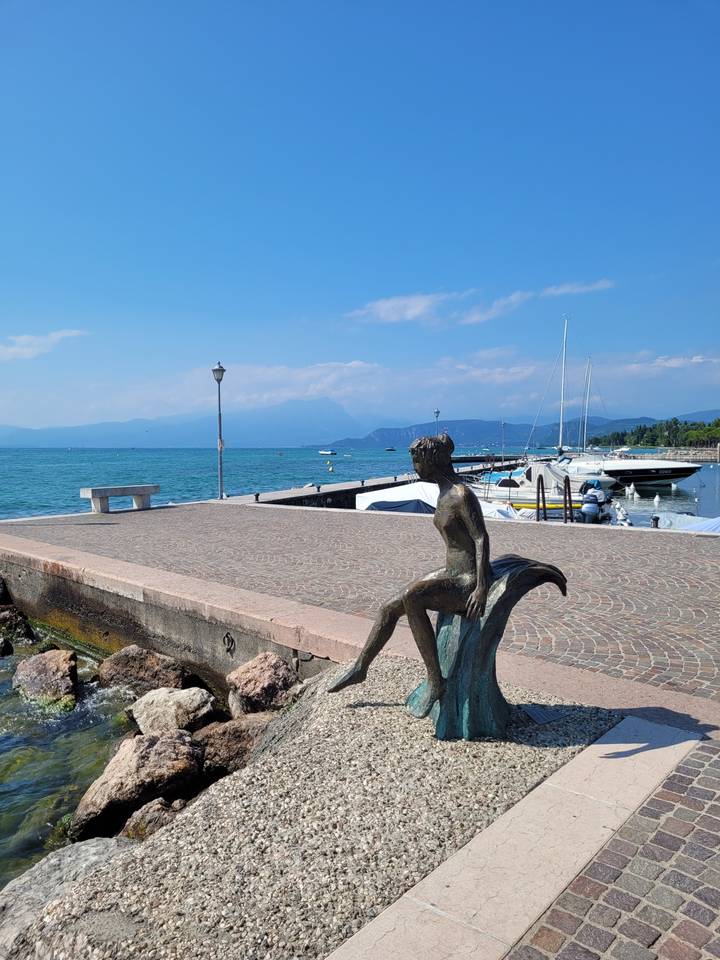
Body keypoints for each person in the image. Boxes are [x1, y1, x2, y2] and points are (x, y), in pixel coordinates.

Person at [328, 434, 490, 717]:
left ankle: (436, 681)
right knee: (389, 608)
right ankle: (360, 668)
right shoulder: (441, 493)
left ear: (431, 460)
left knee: (412, 597)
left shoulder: (461, 495)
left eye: (416, 461)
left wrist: (481, 588)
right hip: (452, 571)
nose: (414, 467)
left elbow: (480, 538)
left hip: (466, 580)